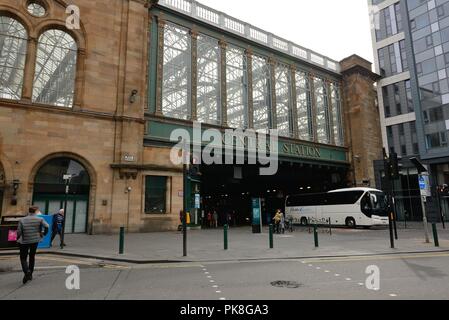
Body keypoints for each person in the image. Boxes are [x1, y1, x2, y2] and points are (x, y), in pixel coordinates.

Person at [17, 207, 49, 284]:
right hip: (35, 241)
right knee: (32, 256)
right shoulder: (39, 219)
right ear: (35, 211)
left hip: (25, 241)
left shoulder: (22, 220)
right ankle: (30, 273)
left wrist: (18, 239)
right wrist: (44, 233)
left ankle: (27, 271)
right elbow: (47, 226)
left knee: (23, 258)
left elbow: (19, 232)